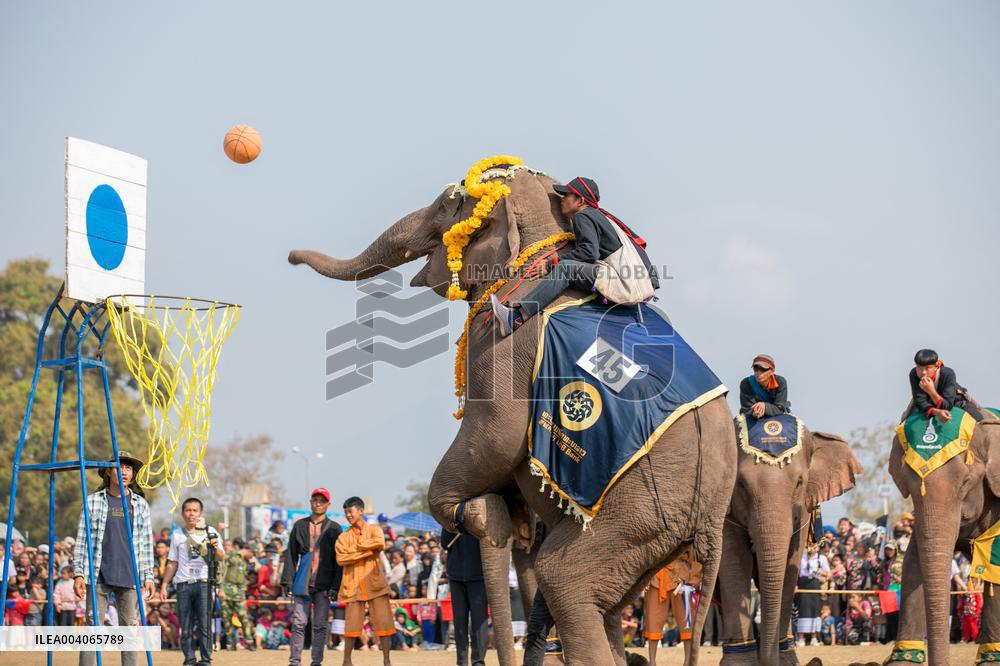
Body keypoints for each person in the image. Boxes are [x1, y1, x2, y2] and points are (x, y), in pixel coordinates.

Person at [490, 176, 658, 337]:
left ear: (580, 201)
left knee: (565, 269)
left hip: (623, 281)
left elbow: (589, 252)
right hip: (636, 281)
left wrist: (551, 264)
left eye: (567, 195)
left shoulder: (582, 216)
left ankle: (516, 318)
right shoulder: (602, 217)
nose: (562, 199)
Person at [73, 451, 156, 666]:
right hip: (98, 574)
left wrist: (148, 576)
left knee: (129, 629)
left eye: (128, 468)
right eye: (119, 467)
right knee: (93, 628)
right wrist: (79, 573)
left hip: (130, 576)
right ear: (109, 472)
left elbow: (147, 545)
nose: (124, 472)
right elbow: (82, 539)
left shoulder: (139, 505)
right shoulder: (92, 502)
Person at [283, 487, 343, 666]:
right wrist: (287, 581)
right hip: (302, 582)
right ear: (310, 503)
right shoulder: (299, 525)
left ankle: (316, 662)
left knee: (320, 625)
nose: (318, 503)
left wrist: (335, 586)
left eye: (322, 501)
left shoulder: (334, 528)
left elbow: (338, 560)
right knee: (299, 623)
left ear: (328, 505)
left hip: (324, 583)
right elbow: (291, 555)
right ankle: (294, 662)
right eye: (315, 500)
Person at [161, 498, 224, 666]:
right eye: (188, 510)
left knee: (204, 625)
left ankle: (205, 660)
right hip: (183, 584)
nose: (191, 514)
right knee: (185, 626)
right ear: (183, 514)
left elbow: (221, 556)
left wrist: (215, 546)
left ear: (201, 513)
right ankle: (189, 659)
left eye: (195, 510)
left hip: (204, 583)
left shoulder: (211, 532)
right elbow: (172, 562)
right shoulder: (177, 535)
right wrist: (164, 585)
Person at [335, 496, 394, 666]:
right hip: (353, 585)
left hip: (375, 584)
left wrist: (358, 547)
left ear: (360, 511)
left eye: (350, 511)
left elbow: (380, 542)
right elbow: (341, 559)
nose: (348, 515)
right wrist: (368, 551)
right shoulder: (343, 537)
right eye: (346, 512)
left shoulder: (375, 530)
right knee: (351, 626)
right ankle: (346, 660)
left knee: (384, 623)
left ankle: (387, 660)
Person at [642, 549, 702, 665]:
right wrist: (644, 578)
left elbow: (694, 556)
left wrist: (693, 578)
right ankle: (652, 661)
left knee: (686, 621)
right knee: (653, 619)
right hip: (656, 578)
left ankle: (688, 661)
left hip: (682, 579)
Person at [440, 528, 488, 666]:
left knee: (479, 622)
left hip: (478, 576)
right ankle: (462, 661)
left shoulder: (479, 517)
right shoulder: (450, 519)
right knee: (459, 622)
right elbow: (445, 543)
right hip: (456, 576)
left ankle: (478, 661)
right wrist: (453, 526)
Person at [906, 348, 975, 421]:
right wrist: (936, 412)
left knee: (981, 423)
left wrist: (931, 392)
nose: (923, 372)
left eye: (927, 368)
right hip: (929, 406)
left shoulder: (947, 374)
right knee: (905, 419)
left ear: (936, 367)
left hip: (956, 402)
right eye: (919, 368)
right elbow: (920, 401)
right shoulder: (913, 374)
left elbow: (947, 406)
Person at [219, 538, 255, 651]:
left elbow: (245, 578)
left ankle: (249, 642)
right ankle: (230, 644)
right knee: (227, 619)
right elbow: (221, 572)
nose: (253, 556)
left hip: (239, 593)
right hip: (226, 590)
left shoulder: (246, 562)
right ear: (247, 550)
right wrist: (221, 589)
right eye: (252, 553)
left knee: (243, 617)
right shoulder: (230, 556)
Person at [739, 354, 791, 418]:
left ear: (771, 371)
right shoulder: (746, 384)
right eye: (756, 368)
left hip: (778, 416)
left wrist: (765, 406)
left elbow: (780, 408)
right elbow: (746, 409)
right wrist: (755, 412)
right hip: (752, 418)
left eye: (763, 369)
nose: (758, 372)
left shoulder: (780, 382)